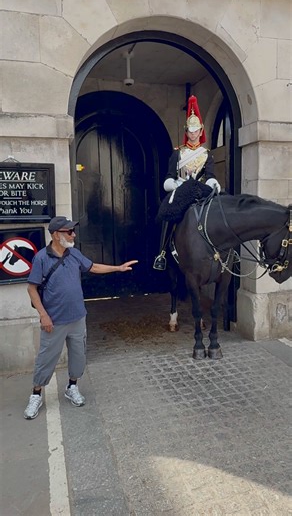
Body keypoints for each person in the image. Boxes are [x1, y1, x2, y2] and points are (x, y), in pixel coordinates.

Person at [24, 216, 138, 419]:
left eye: (73, 231)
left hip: (77, 318)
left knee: (78, 356)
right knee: (46, 359)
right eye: (69, 231)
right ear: (57, 235)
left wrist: (118, 268)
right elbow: (32, 289)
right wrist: (43, 315)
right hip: (54, 321)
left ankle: (72, 387)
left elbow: (93, 267)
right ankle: (36, 394)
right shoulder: (41, 258)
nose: (73, 234)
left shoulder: (74, 254)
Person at [153, 95, 221, 271]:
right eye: (189, 131)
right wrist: (175, 185)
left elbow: (210, 175)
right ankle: (161, 253)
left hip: (200, 191)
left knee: (222, 209)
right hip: (181, 189)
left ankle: (226, 254)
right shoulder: (177, 154)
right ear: (186, 132)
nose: (192, 134)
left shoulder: (207, 154)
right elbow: (169, 176)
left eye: (195, 130)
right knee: (168, 212)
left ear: (200, 131)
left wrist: (214, 183)